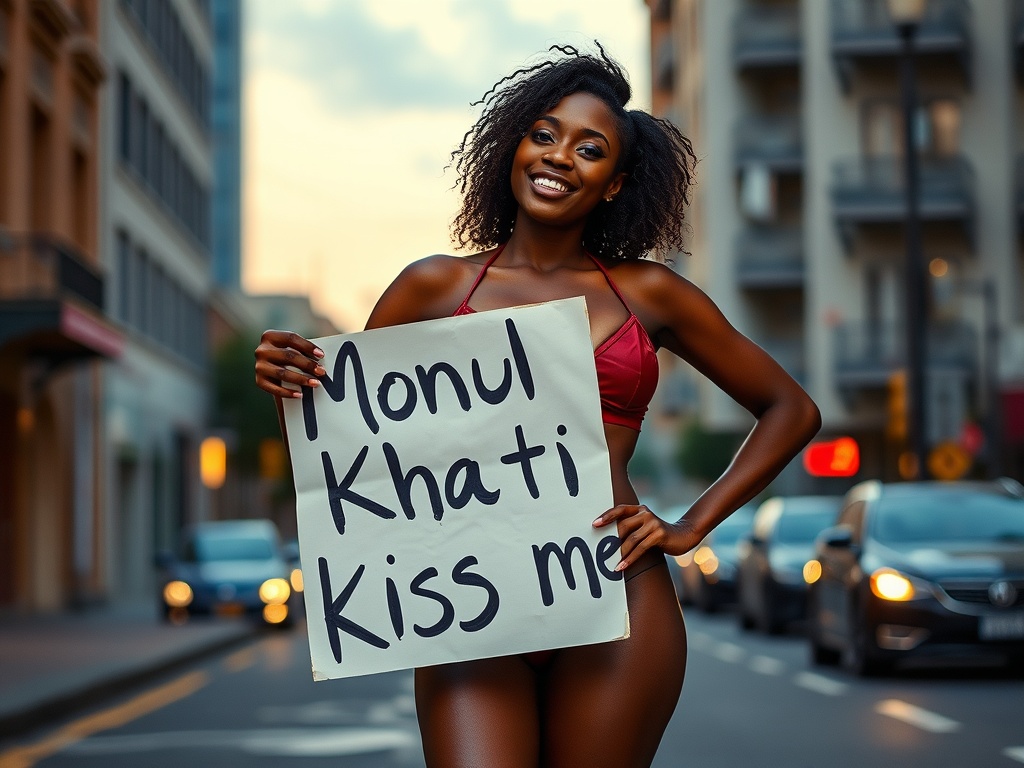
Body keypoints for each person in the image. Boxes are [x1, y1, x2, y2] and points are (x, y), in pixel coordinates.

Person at [254, 44, 820, 768]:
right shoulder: (432, 289)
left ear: (614, 184)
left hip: (617, 594)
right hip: (467, 603)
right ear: (514, 146)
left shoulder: (649, 294)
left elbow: (790, 409)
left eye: (590, 149)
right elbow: (353, 458)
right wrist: (292, 385)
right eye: (544, 134)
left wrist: (690, 526)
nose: (558, 157)